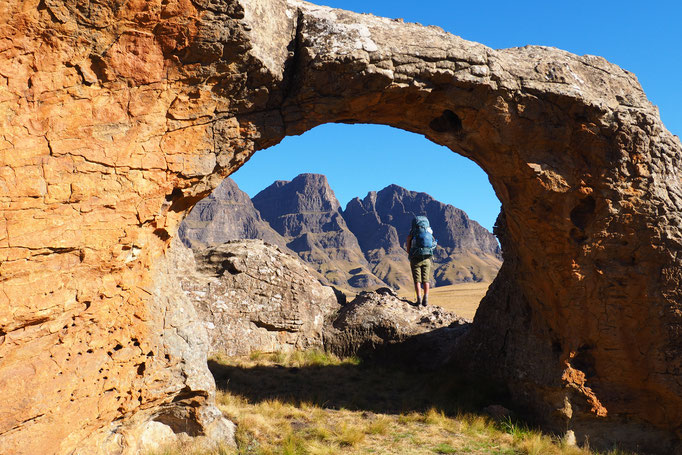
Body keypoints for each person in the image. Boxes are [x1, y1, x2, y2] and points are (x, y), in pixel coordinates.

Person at [406, 215, 437, 306]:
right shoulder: (429, 233)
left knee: (417, 281)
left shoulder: (412, 235)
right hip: (427, 259)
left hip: (415, 259)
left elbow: (408, 250)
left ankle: (419, 300)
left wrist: (410, 247)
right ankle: (426, 299)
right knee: (426, 280)